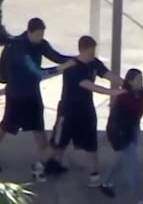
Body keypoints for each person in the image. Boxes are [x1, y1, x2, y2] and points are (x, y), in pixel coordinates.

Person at [0, 17, 76, 181]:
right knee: (7, 125)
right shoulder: (19, 49)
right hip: (17, 94)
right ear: (29, 32)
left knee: (38, 127)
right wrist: (62, 68)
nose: (40, 38)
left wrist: (76, 59)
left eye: (42, 34)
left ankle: (47, 161)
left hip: (32, 93)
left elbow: (55, 56)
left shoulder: (40, 44)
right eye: (38, 34)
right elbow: (38, 72)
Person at [51, 35, 125, 187]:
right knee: (59, 143)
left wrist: (126, 84)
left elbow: (108, 74)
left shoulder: (94, 63)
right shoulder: (72, 67)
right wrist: (113, 93)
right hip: (69, 111)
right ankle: (46, 165)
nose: (93, 54)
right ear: (83, 50)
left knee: (91, 142)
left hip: (86, 110)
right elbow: (88, 85)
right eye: (91, 51)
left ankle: (94, 173)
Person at [99, 68, 143, 204]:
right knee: (132, 167)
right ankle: (139, 201)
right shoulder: (125, 96)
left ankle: (105, 183)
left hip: (132, 130)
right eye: (138, 80)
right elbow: (138, 106)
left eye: (141, 79)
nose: (141, 82)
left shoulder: (140, 91)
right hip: (120, 134)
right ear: (130, 81)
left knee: (120, 159)